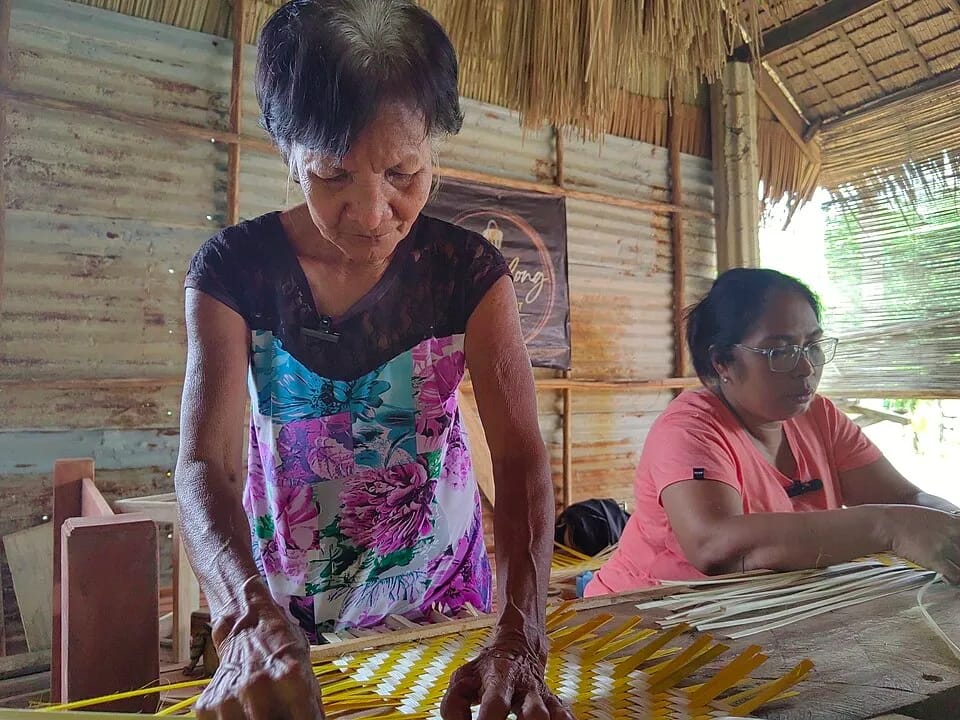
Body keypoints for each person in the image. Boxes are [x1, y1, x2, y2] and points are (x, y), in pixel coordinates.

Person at [174, 2, 571, 719]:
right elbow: (207, 465)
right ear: (288, 150)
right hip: (286, 618)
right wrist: (244, 617)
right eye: (332, 175)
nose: (373, 212)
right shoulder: (234, 271)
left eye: (403, 173)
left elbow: (517, 458)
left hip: (449, 613)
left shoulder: (468, 273)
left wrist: (519, 635)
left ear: (435, 147)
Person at [585, 268, 960, 596]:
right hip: (648, 624)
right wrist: (888, 526)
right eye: (779, 351)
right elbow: (713, 546)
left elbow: (907, 497)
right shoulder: (691, 429)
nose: (806, 368)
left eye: (813, 345)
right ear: (723, 362)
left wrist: (950, 521)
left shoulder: (819, 417)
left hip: (756, 613)